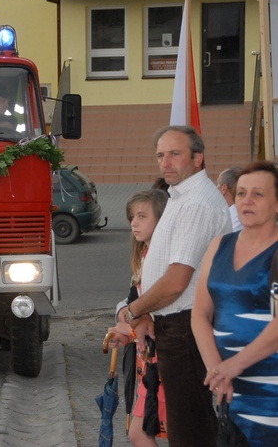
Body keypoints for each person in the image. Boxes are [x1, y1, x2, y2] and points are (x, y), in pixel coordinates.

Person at [122, 125, 231, 446]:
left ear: (198, 158)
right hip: (171, 322)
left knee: (190, 427)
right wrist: (146, 315)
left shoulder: (197, 202)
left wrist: (134, 311)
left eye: (175, 154)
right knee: (187, 423)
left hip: (186, 325)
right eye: (160, 155)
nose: (165, 162)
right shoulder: (180, 196)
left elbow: (176, 281)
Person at [192, 160, 278, 447]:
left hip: (271, 391)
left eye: (258, 194)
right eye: (241, 193)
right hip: (230, 389)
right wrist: (216, 370)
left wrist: (234, 366)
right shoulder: (219, 246)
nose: (247, 201)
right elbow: (200, 314)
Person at [106, 189, 169, 446]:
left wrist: (130, 322)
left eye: (142, 216)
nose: (134, 222)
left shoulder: (164, 259)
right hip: (149, 360)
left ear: (162, 220)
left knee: (177, 430)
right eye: (132, 216)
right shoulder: (145, 255)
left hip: (165, 358)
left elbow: (156, 315)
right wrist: (127, 326)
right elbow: (134, 305)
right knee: (139, 432)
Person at [217, 166, 243, 232]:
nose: (216, 189)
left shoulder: (238, 218)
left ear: (224, 188)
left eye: (218, 184)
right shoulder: (226, 214)